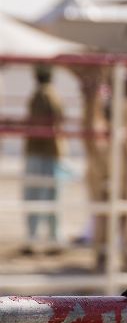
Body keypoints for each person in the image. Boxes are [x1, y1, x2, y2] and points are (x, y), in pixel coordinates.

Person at [22, 64, 64, 253]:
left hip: (42, 150)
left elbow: (52, 118)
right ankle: (51, 238)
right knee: (49, 195)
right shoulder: (51, 94)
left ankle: (36, 238)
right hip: (47, 150)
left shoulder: (43, 94)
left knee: (36, 195)